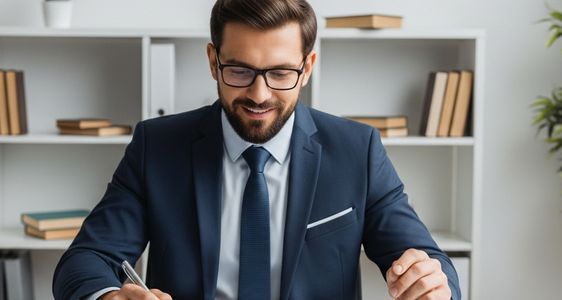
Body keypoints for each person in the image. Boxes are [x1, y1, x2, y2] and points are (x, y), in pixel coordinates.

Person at [53, 0, 460, 299]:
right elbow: (85, 260)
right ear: (213, 61)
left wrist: (431, 283)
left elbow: (429, 260)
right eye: (240, 70)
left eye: (280, 73)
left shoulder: (357, 150)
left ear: (307, 67)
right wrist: (109, 297)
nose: (259, 94)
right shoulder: (157, 146)